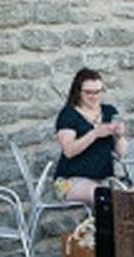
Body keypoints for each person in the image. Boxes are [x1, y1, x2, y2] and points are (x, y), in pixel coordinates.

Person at [52, 68, 124, 204]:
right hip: (68, 180)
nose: (94, 96)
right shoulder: (69, 114)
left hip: (104, 179)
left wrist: (119, 136)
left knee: (130, 199)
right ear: (78, 92)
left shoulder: (109, 111)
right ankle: (101, 225)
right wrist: (95, 133)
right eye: (88, 92)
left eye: (98, 92)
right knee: (102, 196)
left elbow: (123, 153)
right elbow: (69, 151)